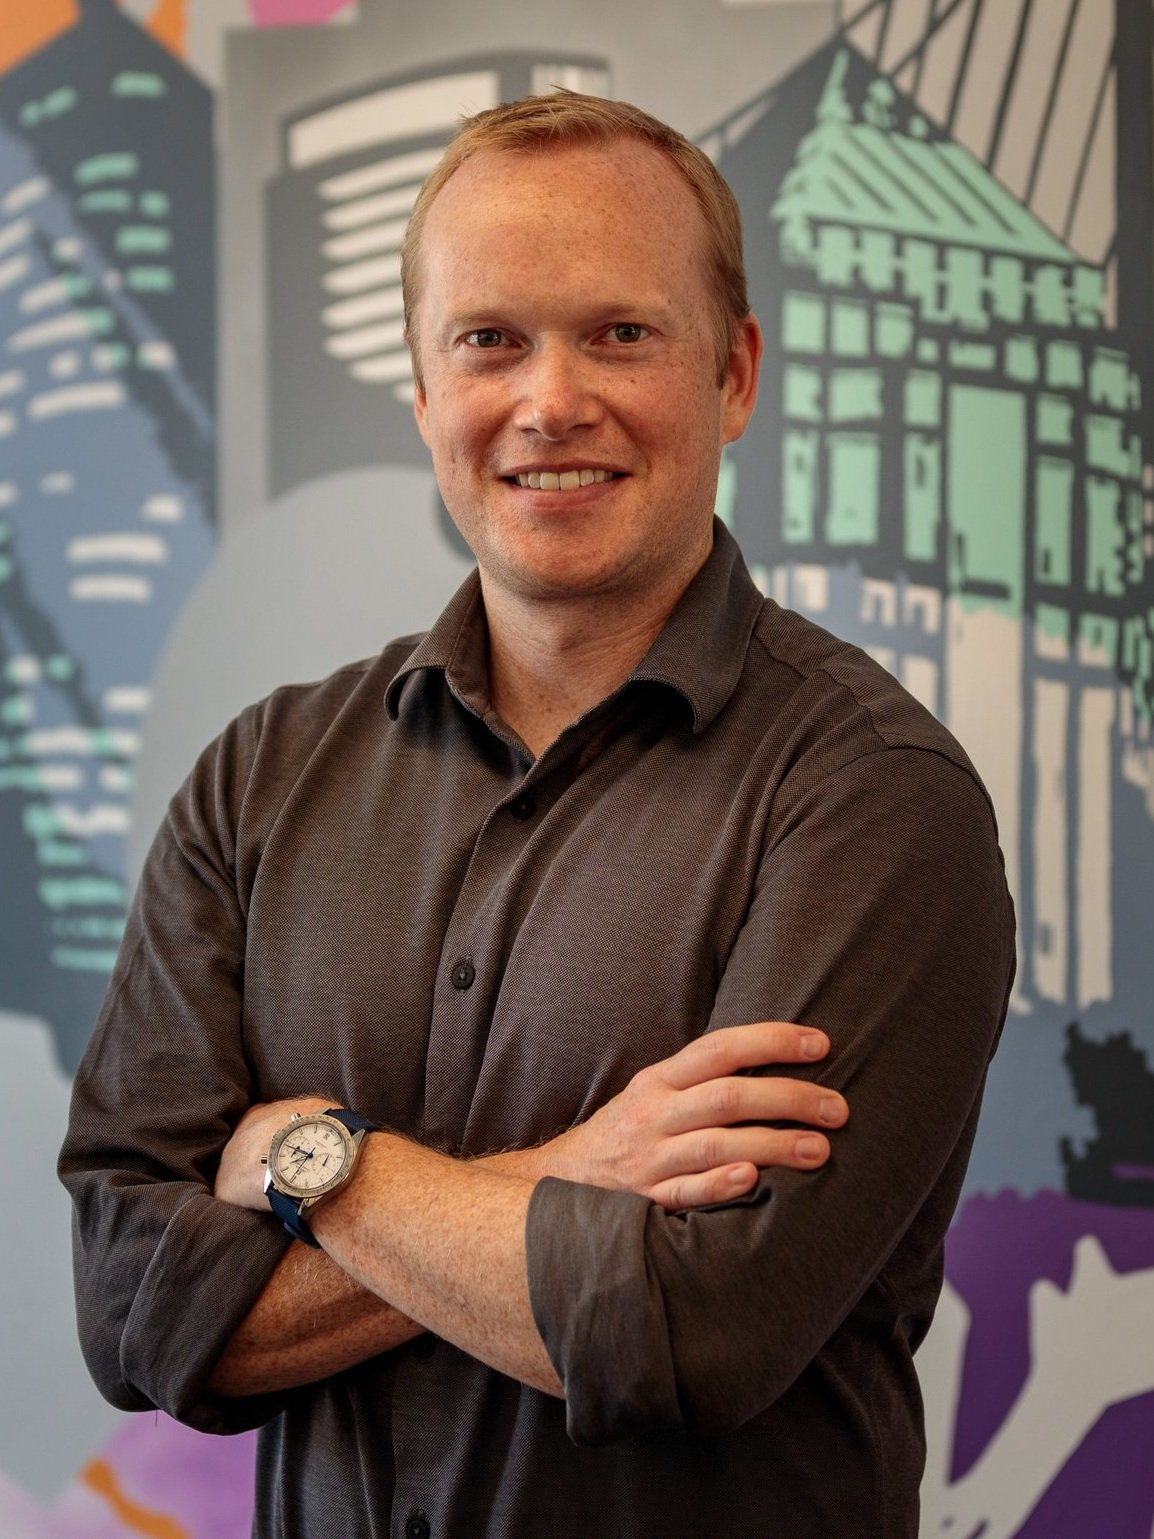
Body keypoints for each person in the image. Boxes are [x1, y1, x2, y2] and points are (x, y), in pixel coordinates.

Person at [60, 93, 1015, 1538]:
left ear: (734, 374)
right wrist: (568, 1178)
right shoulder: (259, 780)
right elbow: (137, 1318)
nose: (549, 400)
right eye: (489, 339)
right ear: (426, 388)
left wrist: (314, 1157)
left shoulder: (871, 799)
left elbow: (686, 1332)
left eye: (619, 333)